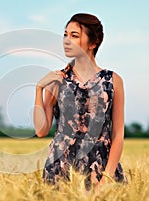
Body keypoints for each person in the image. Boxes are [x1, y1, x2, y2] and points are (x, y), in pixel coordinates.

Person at [33, 13, 126, 190]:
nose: (66, 40)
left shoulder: (113, 81)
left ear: (93, 43)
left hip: (100, 168)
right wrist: (39, 89)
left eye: (74, 36)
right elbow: (41, 130)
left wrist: (107, 178)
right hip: (60, 170)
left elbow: (118, 134)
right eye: (65, 34)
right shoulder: (57, 79)